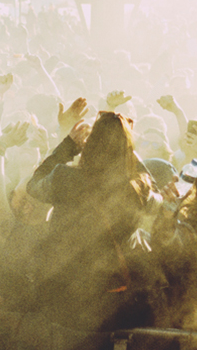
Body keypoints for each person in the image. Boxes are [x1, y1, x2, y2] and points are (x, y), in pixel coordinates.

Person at [26, 110, 157, 334]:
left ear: (91, 144)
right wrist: (128, 147)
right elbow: (156, 195)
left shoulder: (64, 178)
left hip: (64, 294)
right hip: (113, 297)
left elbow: (34, 184)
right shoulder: (137, 187)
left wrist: (67, 146)